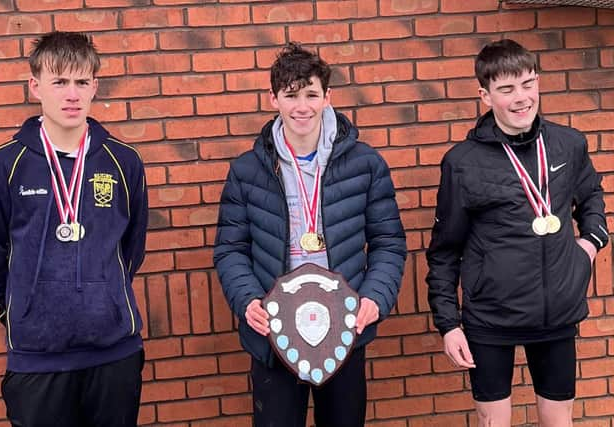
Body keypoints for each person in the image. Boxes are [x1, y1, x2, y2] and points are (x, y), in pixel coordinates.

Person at [214, 42, 406, 427]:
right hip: (275, 333)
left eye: (311, 95)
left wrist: (374, 297)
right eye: (290, 96)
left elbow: (389, 242)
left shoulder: (366, 164)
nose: (301, 107)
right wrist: (248, 299)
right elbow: (230, 249)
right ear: (273, 99)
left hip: (344, 329)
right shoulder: (247, 170)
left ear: (327, 97)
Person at [426, 39, 610, 427]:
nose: (521, 97)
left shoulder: (568, 144)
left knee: (559, 421)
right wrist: (449, 325)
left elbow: (592, 195)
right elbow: (444, 251)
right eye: (507, 89)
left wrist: (589, 245)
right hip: (491, 320)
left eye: (527, 84)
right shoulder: (462, 163)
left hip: (557, 313)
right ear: (485, 95)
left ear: (538, 83)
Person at [0, 31, 148, 427]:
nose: (72, 94)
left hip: (113, 354)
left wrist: (105, 296)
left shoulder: (124, 161)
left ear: (94, 87)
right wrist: (25, 306)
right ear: (35, 86)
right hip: (38, 358)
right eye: (60, 81)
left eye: (82, 82)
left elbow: (131, 249)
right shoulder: (5, 165)